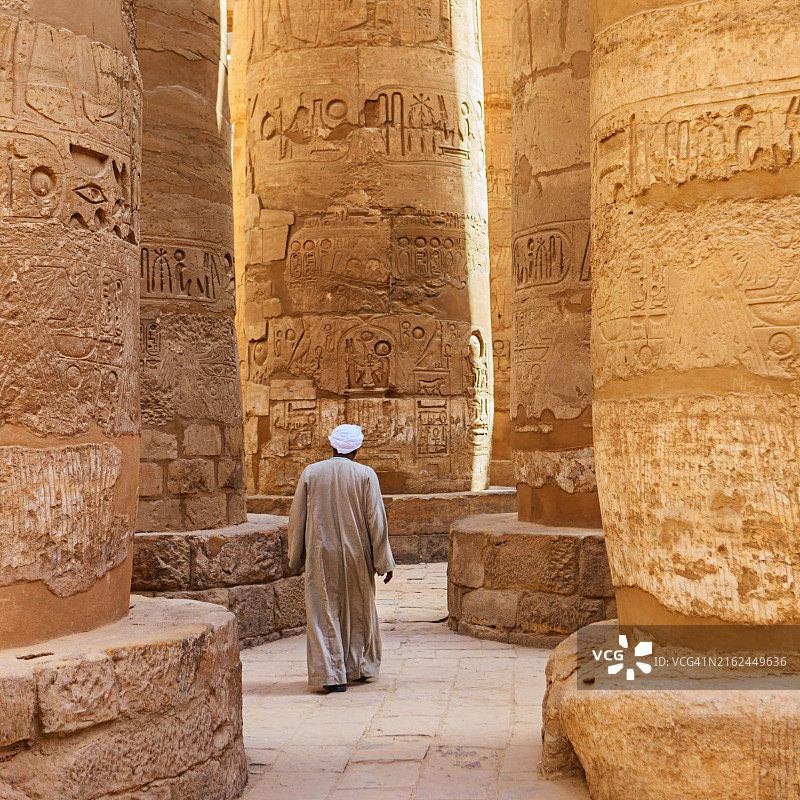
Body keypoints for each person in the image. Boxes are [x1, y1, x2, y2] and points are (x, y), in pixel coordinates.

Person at [288, 424, 395, 693]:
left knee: (324, 611)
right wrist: (384, 562)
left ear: (332, 446)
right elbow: (376, 521)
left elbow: (296, 518)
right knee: (358, 610)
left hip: (320, 554)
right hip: (358, 554)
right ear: (356, 449)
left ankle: (330, 674)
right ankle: (357, 666)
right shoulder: (365, 475)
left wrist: (295, 557)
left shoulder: (311, 472)